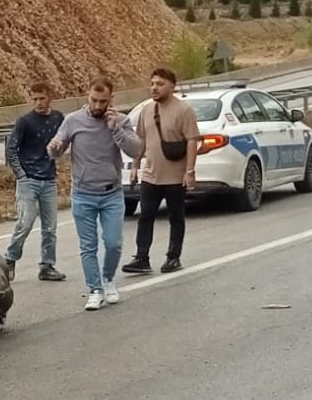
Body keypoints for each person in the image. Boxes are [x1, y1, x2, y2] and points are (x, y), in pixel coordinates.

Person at [47, 79, 142, 312]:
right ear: (87, 97)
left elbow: (137, 150)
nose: (97, 105)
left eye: (103, 101)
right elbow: (56, 149)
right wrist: (54, 147)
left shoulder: (121, 120)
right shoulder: (72, 120)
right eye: (93, 100)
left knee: (113, 243)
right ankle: (95, 290)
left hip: (111, 194)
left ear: (111, 100)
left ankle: (108, 279)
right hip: (83, 194)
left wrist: (115, 129)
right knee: (88, 246)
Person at [123, 67, 201, 275]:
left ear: (172, 87)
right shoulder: (147, 110)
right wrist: (135, 166)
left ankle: (173, 257)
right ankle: (142, 257)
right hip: (151, 175)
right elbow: (141, 139)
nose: (154, 88)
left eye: (160, 84)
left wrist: (189, 171)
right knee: (146, 215)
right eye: (153, 84)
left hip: (175, 176)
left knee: (176, 216)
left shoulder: (184, 110)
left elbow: (192, 141)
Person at [2, 84, 66, 282]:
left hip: (48, 179)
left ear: (50, 98)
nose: (38, 103)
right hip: (28, 180)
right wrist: (21, 174)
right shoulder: (24, 121)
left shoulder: (58, 118)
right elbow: (11, 149)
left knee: (50, 227)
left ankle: (47, 266)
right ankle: (10, 258)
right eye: (35, 98)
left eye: (42, 98)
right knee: (25, 222)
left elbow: (65, 140)